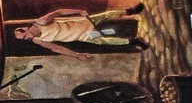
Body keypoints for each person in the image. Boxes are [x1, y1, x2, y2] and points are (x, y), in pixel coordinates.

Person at [13, 4, 148, 61]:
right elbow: (57, 48)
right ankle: (134, 41)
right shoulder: (38, 41)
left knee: (106, 15)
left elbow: (58, 12)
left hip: (83, 23)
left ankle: (131, 11)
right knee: (105, 41)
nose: (26, 37)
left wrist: (79, 11)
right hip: (84, 36)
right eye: (23, 38)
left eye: (23, 34)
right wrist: (77, 55)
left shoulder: (41, 22)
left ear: (25, 28)